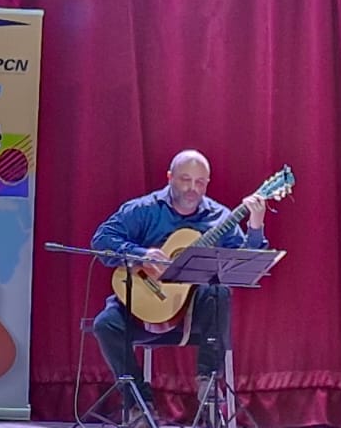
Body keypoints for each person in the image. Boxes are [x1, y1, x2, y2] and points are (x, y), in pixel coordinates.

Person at [89, 151, 269, 428]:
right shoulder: (145, 209)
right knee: (105, 324)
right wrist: (141, 254)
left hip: (195, 316)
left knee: (218, 291)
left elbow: (246, 264)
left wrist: (255, 226)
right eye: (185, 180)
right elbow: (102, 240)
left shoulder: (219, 217)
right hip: (143, 306)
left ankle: (208, 386)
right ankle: (139, 404)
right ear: (170, 177)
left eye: (200, 182)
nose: (192, 189)